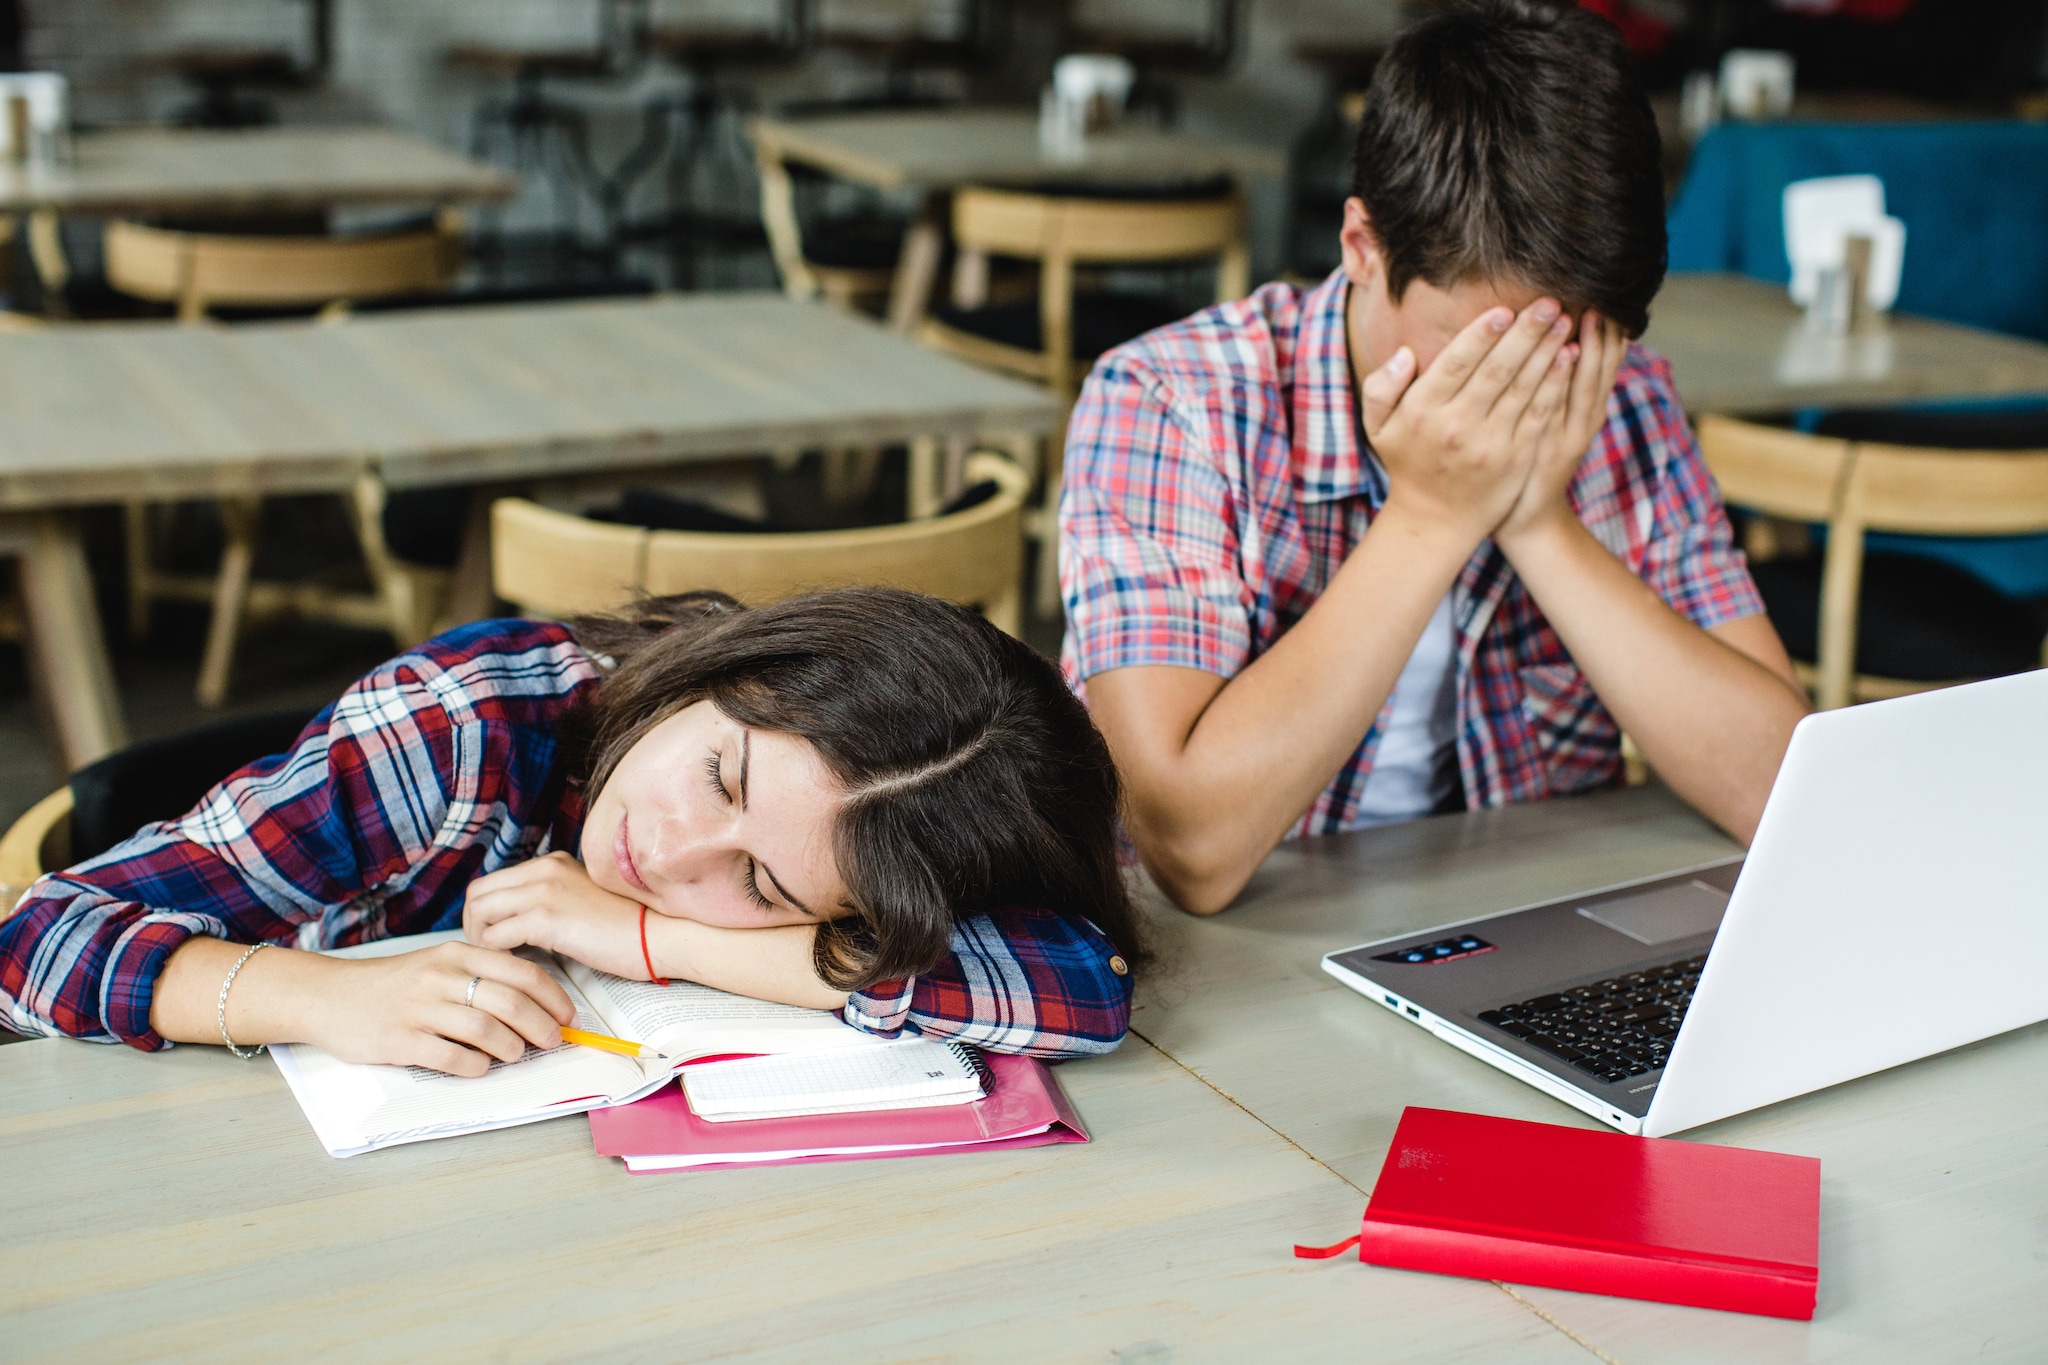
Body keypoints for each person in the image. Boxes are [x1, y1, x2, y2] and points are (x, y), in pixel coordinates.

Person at [1059, 0, 1811, 916]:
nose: (1523, 387)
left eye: (1565, 347)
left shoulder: (1620, 397)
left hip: (1516, 925)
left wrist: (1540, 523)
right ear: (1362, 248)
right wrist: (1432, 515)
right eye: (1485, 347)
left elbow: (1781, 792)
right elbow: (1191, 849)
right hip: (1232, 958)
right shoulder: (1175, 403)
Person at [0, 588, 1142, 1070]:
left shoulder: (875, 832)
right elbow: (33, 942)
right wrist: (328, 998)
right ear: (735, 670)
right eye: (720, 777)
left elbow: (1084, 986)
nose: (669, 851)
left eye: (762, 888)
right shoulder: (470, 725)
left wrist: (651, 939)